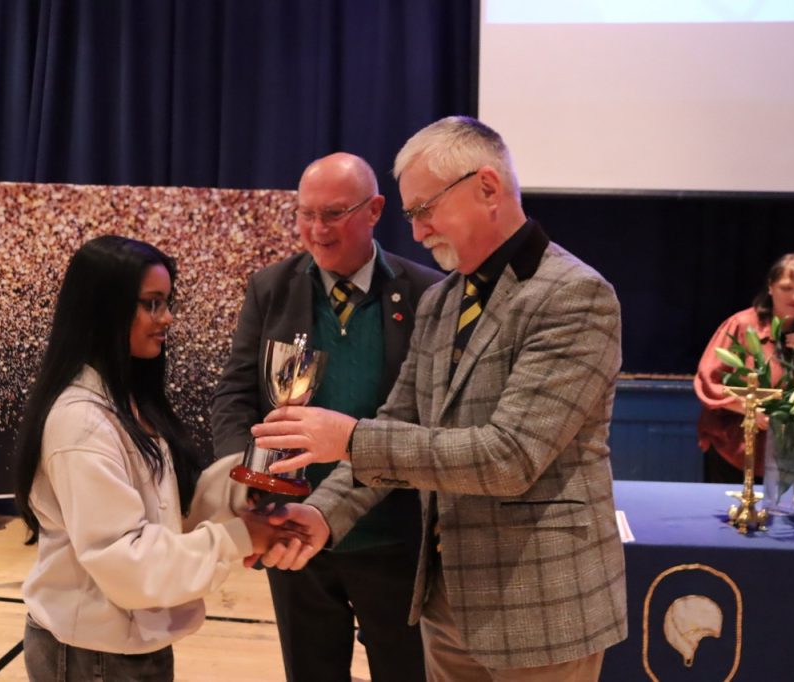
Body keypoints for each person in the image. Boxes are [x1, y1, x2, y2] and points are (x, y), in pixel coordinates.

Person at [252, 117, 628, 681]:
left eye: (425, 209)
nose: (418, 231)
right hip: (446, 605)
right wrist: (321, 515)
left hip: (541, 609)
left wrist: (348, 438)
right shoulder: (441, 301)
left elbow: (510, 457)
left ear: (488, 187)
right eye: (411, 215)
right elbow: (398, 424)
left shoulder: (574, 295)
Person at [13, 236, 303, 682]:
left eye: (167, 303)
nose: (166, 318)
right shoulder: (81, 423)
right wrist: (240, 538)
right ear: (105, 309)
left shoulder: (126, 400)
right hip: (93, 654)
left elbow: (165, 515)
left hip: (129, 644)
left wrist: (244, 485)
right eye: (152, 304)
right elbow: (126, 563)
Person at [211, 152, 442, 682]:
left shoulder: (427, 293)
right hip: (292, 531)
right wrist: (242, 481)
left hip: (394, 534)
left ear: (375, 210)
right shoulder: (271, 287)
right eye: (306, 214)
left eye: (334, 214)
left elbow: (427, 418)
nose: (317, 230)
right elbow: (235, 394)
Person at [695, 252, 794, 483]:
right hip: (736, 451)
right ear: (770, 287)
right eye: (786, 288)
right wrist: (747, 409)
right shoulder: (741, 325)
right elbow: (708, 382)